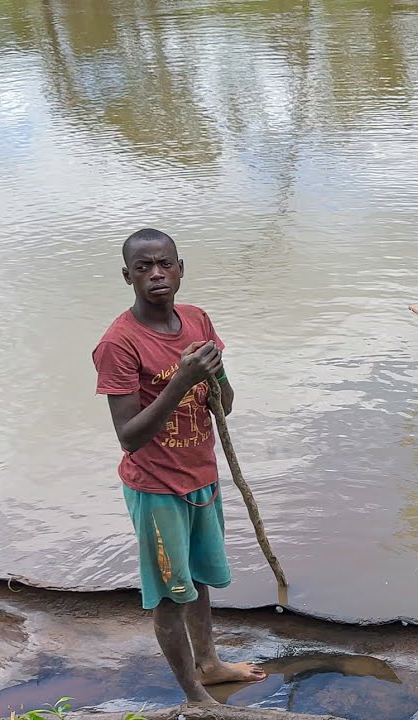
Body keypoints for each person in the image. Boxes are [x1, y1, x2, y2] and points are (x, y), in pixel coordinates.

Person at [92, 228, 266, 704]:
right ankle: (193, 696)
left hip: (202, 478)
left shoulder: (197, 320)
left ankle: (208, 664)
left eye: (165, 264)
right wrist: (181, 379)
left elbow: (223, 406)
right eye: (144, 268)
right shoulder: (120, 343)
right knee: (170, 594)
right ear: (128, 277)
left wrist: (216, 374)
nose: (156, 275)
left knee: (199, 578)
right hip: (156, 487)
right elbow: (129, 437)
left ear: (181, 268)